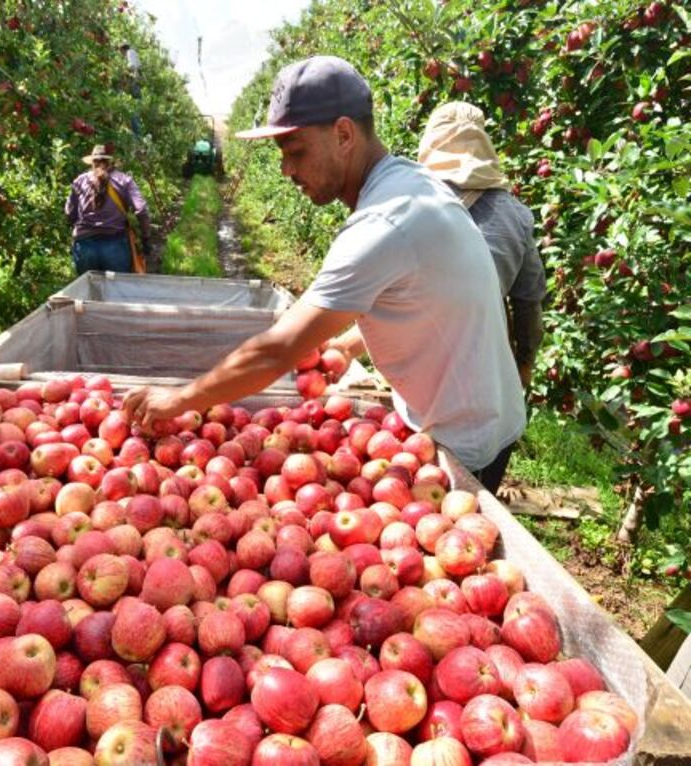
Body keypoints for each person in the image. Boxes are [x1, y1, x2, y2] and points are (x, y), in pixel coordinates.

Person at [122, 55, 526, 492]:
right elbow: (427, 296)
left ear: (343, 134)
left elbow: (275, 352)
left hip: (462, 445)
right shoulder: (414, 182)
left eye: (296, 152)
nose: (286, 170)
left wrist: (179, 399)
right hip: (480, 417)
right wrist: (351, 343)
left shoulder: (383, 222)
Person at [418, 102, 546, 388]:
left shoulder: (407, 203)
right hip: (482, 367)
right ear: (483, 143)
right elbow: (528, 303)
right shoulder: (516, 214)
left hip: (413, 360)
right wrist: (524, 365)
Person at [65, 144, 150, 275]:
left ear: (92, 162)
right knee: (117, 291)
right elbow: (142, 210)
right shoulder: (124, 180)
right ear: (109, 161)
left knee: (88, 291)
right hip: (115, 244)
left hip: (85, 245)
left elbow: (69, 213)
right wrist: (145, 237)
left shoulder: (80, 181)